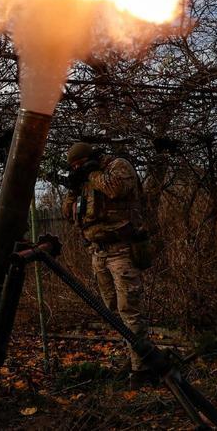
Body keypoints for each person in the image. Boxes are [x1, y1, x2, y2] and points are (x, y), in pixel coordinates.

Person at [61, 142, 153, 382]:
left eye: (79, 164)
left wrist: (90, 172)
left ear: (91, 158)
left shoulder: (117, 167)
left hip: (122, 250)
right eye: (74, 167)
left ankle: (142, 367)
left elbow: (115, 190)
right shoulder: (83, 180)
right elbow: (66, 212)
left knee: (130, 309)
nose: (77, 169)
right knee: (112, 311)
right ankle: (134, 357)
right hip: (98, 252)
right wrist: (73, 187)